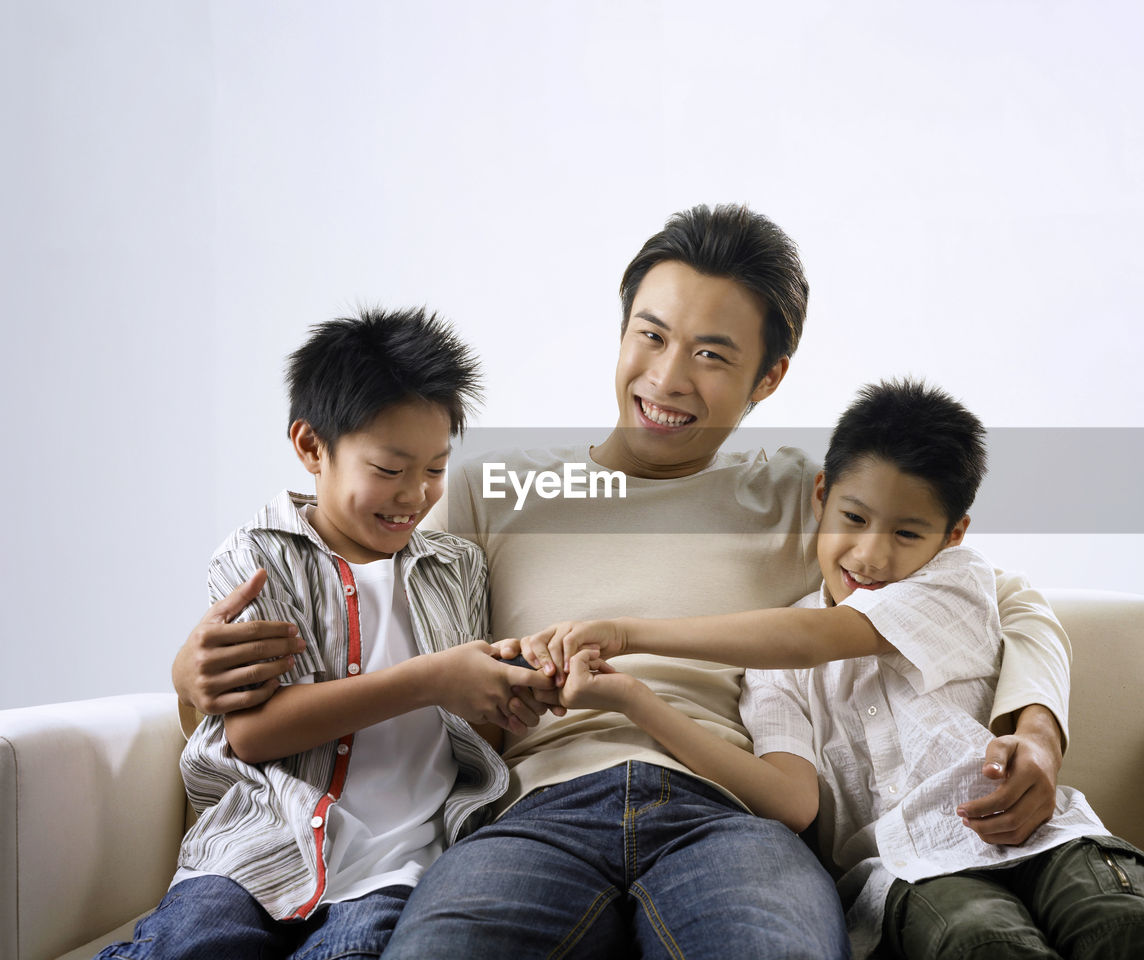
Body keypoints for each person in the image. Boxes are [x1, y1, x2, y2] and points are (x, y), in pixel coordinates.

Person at [174, 205, 1073, 958]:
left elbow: (998, 595)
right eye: (652, 335)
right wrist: (190, 682)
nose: (667, 378)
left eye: (714, 356)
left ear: (771, 378)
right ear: (622, 331)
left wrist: (1035, 728)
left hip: (730, 819)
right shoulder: (488, 486)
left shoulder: (806, 497)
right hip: (533, 813)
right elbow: (347, 590)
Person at [521, 378, 1144, 960]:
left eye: (907, 533)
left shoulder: (954, 585)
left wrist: (629, 631)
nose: (871, 556)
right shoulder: (772, 675)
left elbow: (818, 635)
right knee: (980, 943)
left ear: (952, 537)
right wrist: (635, 698)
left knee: (1136, 925)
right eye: (853, 519)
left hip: (1051, 841)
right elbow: (792, 802)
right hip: (910, 873)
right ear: (821, 495)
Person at [103, 308, 555, 960]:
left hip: (398, 863)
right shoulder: (259, 558)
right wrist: (431, 679)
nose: (415, 495)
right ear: (312, 446)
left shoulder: (457, 568)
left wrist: (510, 690)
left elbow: (474, 732)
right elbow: (252, 732)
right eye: (390, 469)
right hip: (254, 849)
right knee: (188, 946)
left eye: (434, 469)